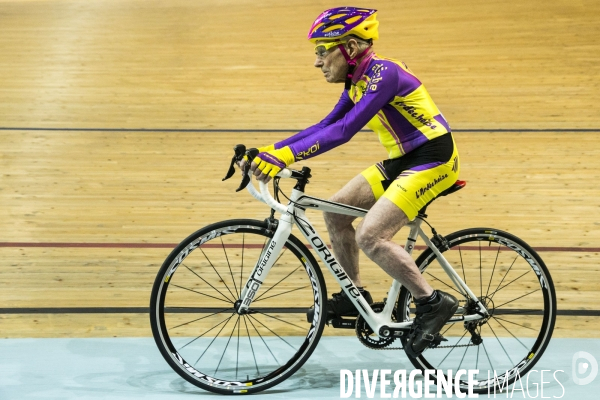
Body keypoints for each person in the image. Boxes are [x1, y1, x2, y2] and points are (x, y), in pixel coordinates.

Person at [246, 7, 460, 358]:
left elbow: (344, 132)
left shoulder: (383, 75)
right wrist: (269, 151)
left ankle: (432, 303)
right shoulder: (358, 80)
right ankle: (354, 296)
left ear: (351, 46)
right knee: (335, 214)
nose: (317, 62)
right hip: (402, 160)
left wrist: (285, 157)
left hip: (434, 158)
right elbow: (324, 126)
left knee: (371, 236)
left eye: (321, 51)